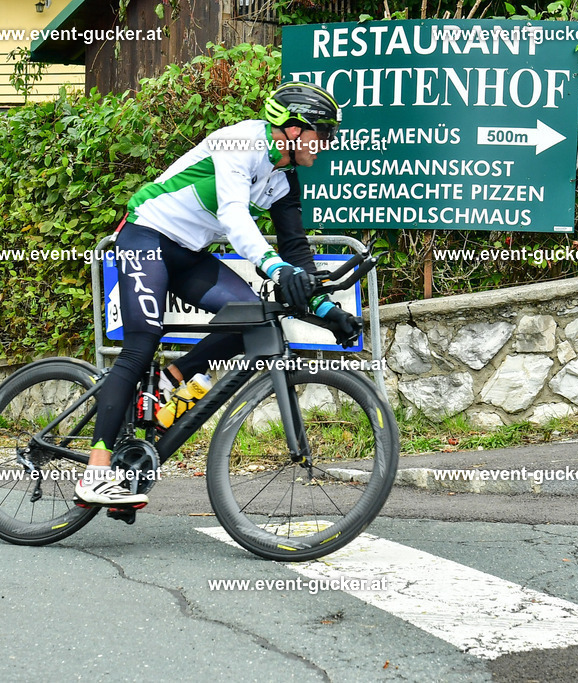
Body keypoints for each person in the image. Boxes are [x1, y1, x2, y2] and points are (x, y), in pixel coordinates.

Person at [74, 82, 362, 507]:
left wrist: (324, 307)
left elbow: (295, 248)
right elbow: (233, 215)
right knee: (141, 344)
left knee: (252, 318)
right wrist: (275, 267)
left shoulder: (284, 178)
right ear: (294, 130)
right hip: (146, 235)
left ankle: (170, 381)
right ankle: (95, 474)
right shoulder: (240, 142)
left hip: (188, 252)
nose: (328, 143)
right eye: (323, 133)